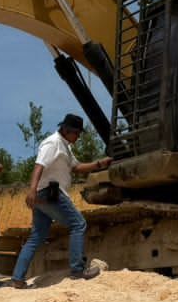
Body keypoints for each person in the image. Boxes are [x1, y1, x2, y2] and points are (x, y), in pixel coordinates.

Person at [11, 113, 113, 286]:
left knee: (37, 235)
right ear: (66, 130)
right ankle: (77, 270)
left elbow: (77, 167)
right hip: (49, 193)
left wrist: (99, 164)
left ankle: (18, 279)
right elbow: (39, 165)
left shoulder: (65, 146)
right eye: (77, 133)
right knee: (78, 224)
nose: (78, 137)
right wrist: (32, 190)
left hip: (42, 195)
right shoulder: (53, 143)